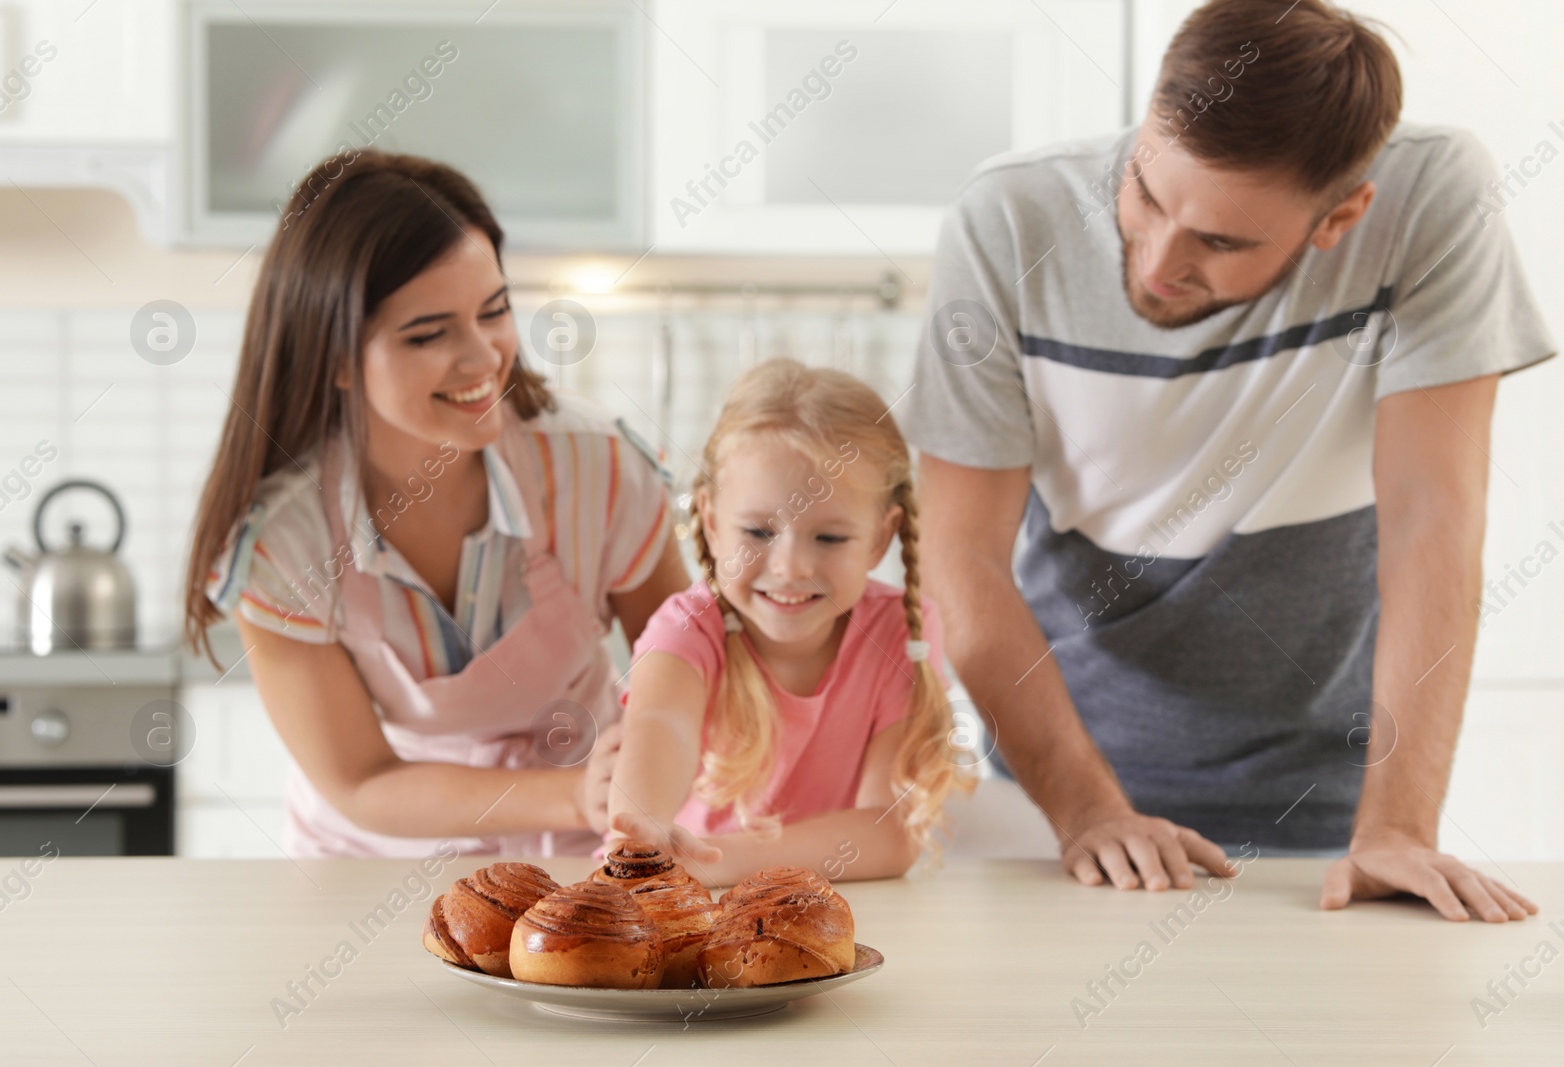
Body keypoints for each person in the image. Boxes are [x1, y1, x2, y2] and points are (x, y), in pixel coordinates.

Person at [907, 0, 1552, 920]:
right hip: (1049, 802)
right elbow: (960, 558)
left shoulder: (1431, 200)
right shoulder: (1008, 218)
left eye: (1220, 240)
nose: (1158, 259)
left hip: (1321, 807)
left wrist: (1399, 828)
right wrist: (1088, 810)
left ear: (1342, 218)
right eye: (1145, 192)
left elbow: (1431, 515)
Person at [182, 150, 689, 858]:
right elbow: (362, 780)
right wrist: (569, 790)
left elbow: (692, 672)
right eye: (429, 334)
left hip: (584, 848)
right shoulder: (281, 545)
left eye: (496, 311)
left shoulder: (597, 466)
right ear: (332, 356)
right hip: (374, 864)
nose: (483, 357)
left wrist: (643, 780)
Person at [606, 359, 975, 884]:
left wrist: (712, 861)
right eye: (758, 531)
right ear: (709, 521)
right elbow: (659, 725)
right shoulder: (687, 629)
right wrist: (644, 831)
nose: (791, 568)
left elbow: (892, 832)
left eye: (829, 538)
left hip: (817, 912)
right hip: (688, 908)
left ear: (880, 537)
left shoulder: (902, 632)